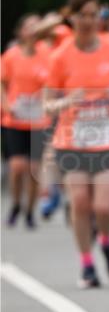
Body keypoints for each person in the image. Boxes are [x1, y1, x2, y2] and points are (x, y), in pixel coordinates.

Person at [44, 0, 109, 288]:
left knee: (104, 207)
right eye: (83, 15)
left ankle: (106, 241)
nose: (89, 21)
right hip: (73, 140)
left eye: (95, 15)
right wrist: (65, 103)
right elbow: (47, 102)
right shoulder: (60, 56)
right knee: (80, 203)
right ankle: (87, 264)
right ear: (72, 17)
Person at [1, 14, 51, 228]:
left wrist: (45, 101)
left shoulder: (47, 55)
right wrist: (6, 106)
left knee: (33, 168)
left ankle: (30, 210)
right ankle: (15, 204)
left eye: (36, 27)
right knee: (17, 166)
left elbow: (52, 84)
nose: (33, 31)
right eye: (29, 27)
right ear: (21, 32)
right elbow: (2, 84)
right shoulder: (11, 56)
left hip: (38, 120)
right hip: (14, 118)